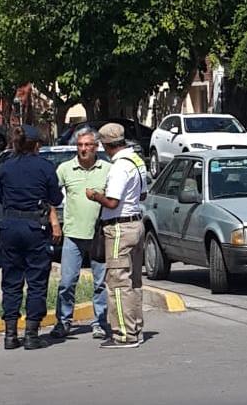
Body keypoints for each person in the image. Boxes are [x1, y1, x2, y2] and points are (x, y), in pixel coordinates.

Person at [0, 125, 63, 350]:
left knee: (11, 281)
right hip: (35, 227)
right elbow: (55, 197)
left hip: (9, 226)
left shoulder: (5, 168)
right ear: (36, 145)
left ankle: (10, 334)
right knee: (36, 280)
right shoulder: (44, 167)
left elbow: (0, 197)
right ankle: (32, 334)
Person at [86, 123, 147, 349]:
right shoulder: (137, 161)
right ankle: (135, 329)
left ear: (106, 144)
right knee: (133, 282)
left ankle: (123, 334)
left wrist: (94, 196)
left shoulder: (120, 166)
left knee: (118, 283)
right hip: (135, 223)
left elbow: (112, 201)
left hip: (119, 228)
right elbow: (143, 193)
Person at [51, 128, 111, 340]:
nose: (83, 149)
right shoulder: (65, 169)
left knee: (100, 283)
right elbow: (50, 196)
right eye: (80, 145)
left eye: (87, 145)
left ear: (96, 147)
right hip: (73, 235)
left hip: (99, 236)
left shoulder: (107, 169)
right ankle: (64, 321)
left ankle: (100, 323)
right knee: (67, 282)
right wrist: (54, 223)